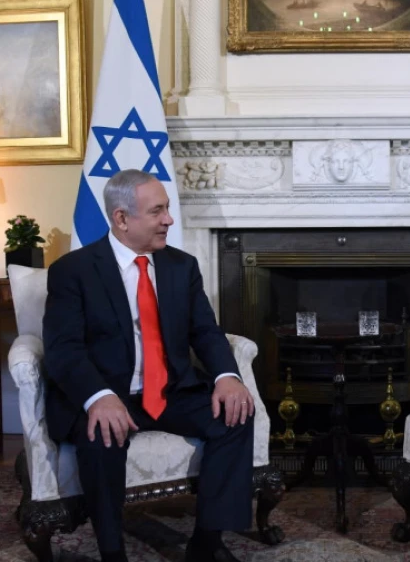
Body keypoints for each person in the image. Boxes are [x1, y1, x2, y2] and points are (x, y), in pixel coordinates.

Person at [43, 169, 255, 562]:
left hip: (169, 391)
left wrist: (228, 377)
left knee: (236, 415)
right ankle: (112, 553)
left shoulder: (181, 266)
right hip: (109, 392)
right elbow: (63, 349)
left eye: (167, 209)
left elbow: (206, 331)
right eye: (157, 211)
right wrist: (98, 397)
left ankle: (206, 544)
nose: (169, 220)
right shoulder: (73, 271)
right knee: (102, 432)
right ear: (122, 218)